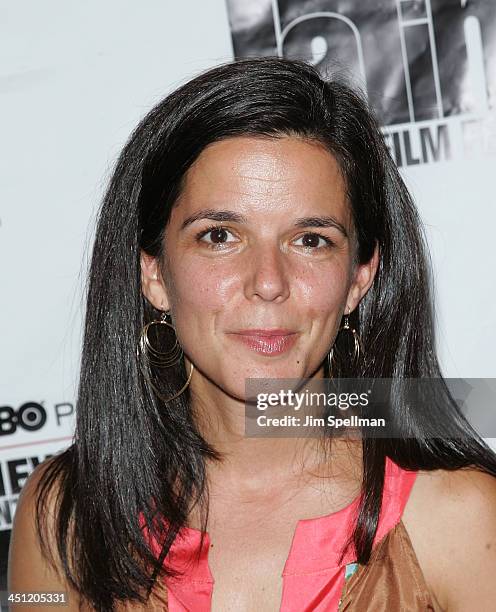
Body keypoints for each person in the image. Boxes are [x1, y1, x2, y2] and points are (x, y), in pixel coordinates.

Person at [8, 57, 496, 612]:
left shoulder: (463, 517)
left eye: (311, 240)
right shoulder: (62, 516)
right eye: (220, 235)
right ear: (154, 273)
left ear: (359, 277)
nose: (268, 283)